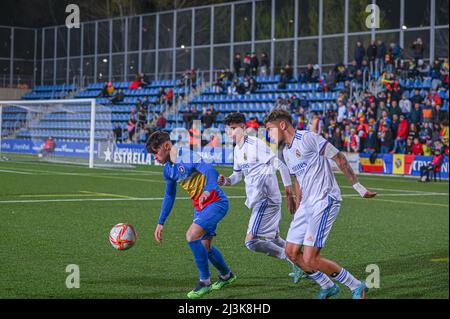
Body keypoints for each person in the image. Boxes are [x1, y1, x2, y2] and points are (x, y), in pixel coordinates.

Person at [263, 109, 376, 299]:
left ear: (282, 125)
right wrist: (298, 205)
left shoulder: (308, 138)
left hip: (325, 199)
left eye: (270, 129)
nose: (268, 134)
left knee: (310, 258)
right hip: (307, 204)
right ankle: (327, 286)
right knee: (291, 252)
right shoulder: (286, 152)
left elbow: (338, 157)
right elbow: (298, 180)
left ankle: (356, 285)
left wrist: (359, 188)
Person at [146, 131, 235, 299]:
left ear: (166, 146)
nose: (155, 158)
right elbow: (169, 196)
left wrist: (207, 191)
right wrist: (160, 222)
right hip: (200, 206)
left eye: (155, 152)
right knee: (205, 248)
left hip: (215, 201)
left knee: (191, 235)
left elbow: (211, 172)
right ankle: (226, 275)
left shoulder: (185, 156)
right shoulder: (168, 170)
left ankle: (205, 282)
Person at [217, 113, 305, 284]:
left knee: (251, 242)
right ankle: (303, 260)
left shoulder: (255, 144)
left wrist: (289, 192)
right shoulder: (237, 150)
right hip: (259, 199)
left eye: (234, 128)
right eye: (228, 129)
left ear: (243, 128)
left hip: (266, 198)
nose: (230, 132)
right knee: (274, 239)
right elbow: (237, 176)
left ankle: (295, 261)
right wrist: (226, 181)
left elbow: (280, 164)